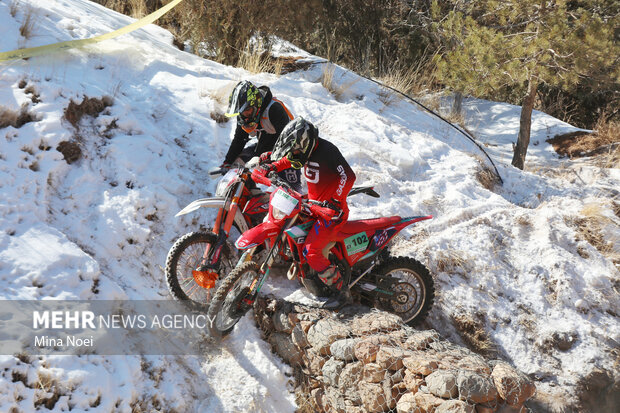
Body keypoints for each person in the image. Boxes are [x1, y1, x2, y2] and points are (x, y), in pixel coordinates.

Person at [253, 117, 356, 309]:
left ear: (306, 143)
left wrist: (334, 200)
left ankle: (342, 292)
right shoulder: (305, 151)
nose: (295, 154)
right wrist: (273, 166)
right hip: (314, 205)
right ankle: (307, 275)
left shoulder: (327, 151)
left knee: (312, 251)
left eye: (297, 150)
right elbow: (291, 160)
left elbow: (348, 176)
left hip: (332, 213)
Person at [223, 80, 300, 189]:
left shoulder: (274, 109)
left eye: (247, 110)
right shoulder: (244, 115)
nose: (245, 115)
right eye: (241, 112)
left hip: (290, 150)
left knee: (290, 189)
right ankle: (248, 195)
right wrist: (227, 162)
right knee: (237, 166)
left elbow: (289, 143)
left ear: (256, 104)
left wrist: (269, 159)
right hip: (264, 146)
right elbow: (239, 139)